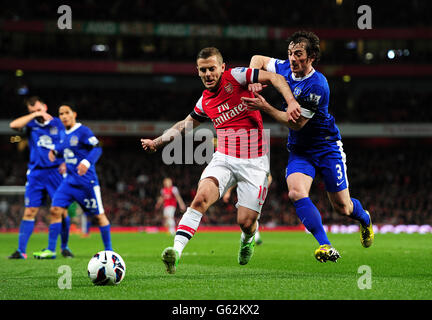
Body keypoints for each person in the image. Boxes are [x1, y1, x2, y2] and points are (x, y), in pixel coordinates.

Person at [141, 46, 300, 274]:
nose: (208, 74)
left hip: (254, 163)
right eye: (203, 70)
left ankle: (247, 239)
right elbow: (184, 125)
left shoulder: (237, 76)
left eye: (212, 69)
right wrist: (157, 142)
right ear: (197, 71)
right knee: (200, 199)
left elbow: (274, 77)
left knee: (245, 222)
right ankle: (175, 252)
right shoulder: (205, 101)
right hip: (224, 157)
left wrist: (291, 102)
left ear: (222, 67)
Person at [242, 30, 374, 263]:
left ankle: (365, 219)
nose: (292, 58)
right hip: (300, 150)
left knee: (343, 208)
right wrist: (253, 80)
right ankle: (325, 245)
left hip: (326, 147)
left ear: (311, 56)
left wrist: (265, 107)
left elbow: (296, 123)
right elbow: (258, 59)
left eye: (298, 54)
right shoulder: (284, 67)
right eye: (290, 53)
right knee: (295, 192)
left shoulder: (318, 85)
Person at [33, 103, 112, 259]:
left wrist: (86, 162)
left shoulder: (83, 131)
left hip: (86, 183)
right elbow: (65, 148)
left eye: (66, 112)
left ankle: (109, 251)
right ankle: (50, 249)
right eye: (61, 113)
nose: (63, 116)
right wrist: (55, 152)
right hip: (68, 182)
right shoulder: (63, 133)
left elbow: (97, 148)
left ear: (74, 114)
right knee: (55, 210)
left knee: (99, 216)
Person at [8, 96, 73, 259]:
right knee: (30, 211)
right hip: (36, 174)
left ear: (45, 106)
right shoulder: (31, 124)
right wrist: (34, 115)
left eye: (38, 109)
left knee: (61, 211)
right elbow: (13, 125)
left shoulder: (58, 123)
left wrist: (67, 162)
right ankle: (21, 251)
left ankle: (64, 247)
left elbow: (70, 142)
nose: (36, 113)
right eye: (32, 111)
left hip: (56, 172)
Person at [223, 174, 273, 245]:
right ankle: (252, 238)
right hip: (244, 192)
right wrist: (228, 191)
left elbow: (269, 177)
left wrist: (265, 186)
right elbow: (237, 177)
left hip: (257, 191)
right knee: (245, 218)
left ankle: (251, 238)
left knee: (251, 217)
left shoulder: (261, 165)